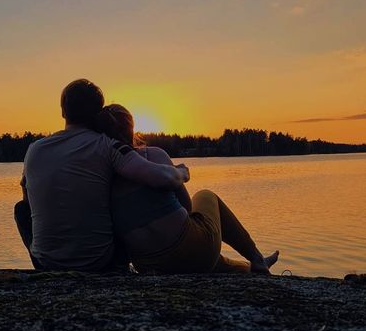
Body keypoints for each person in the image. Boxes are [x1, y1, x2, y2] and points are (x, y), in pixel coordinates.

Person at [14, 79, 189, 272]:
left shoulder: (35, 149)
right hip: (99, 262)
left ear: (63, 111)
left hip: (46, 263)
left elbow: (28, 201)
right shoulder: (107, 145)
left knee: (21, 209)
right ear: (97, 113)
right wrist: (181, 172)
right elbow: (162, 177)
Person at [95, 104, 279, 275]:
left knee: (196, 255)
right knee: (206, 196)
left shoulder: (100, 176)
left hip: (150, 266)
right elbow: (187, 206)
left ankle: (249, 269)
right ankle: (256, 259)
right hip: (192, 253)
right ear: (131, 129)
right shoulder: (152, 155)